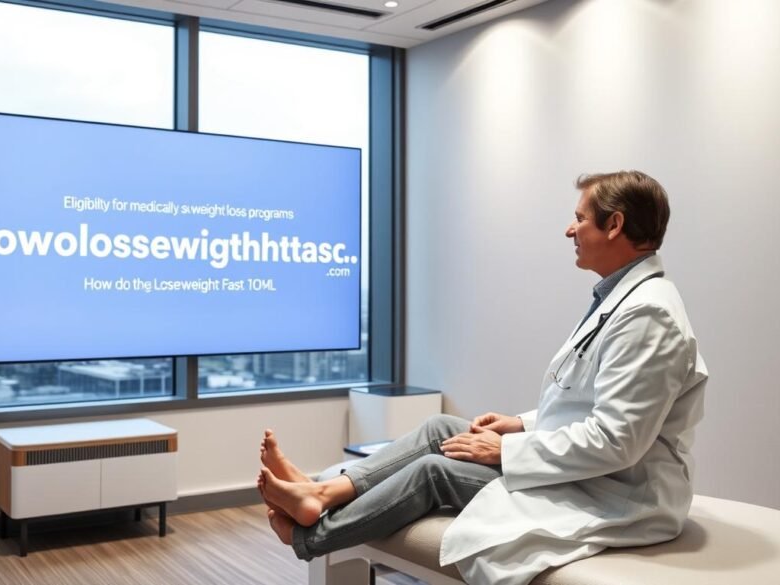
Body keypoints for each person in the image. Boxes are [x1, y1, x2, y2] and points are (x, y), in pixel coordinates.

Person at [257, 171, 708, 585]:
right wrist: (520, 425)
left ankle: (310, 535)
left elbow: (617, 441)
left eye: (579, 219)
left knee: (436, 472)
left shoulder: (648, 313)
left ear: (614, 225)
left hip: (620, 495)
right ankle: (321, 491)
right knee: (440, 428)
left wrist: (506, 450)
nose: (570, 230)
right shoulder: (623, 299)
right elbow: (588, 401)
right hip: (591, 472)